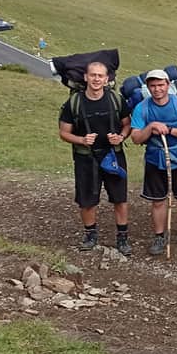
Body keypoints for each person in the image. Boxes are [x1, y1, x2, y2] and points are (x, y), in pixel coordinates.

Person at [58, 61, 132, 255]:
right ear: (85, 77)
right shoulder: (74, 103)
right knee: (87, 200)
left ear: (107, 79)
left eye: (100, 76)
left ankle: (122, 237)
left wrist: (121, 137)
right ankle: (90, 235)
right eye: (93, 75)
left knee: (120, 198)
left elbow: (127, 124)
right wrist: (81, 139)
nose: (96, 79)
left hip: (113, 155)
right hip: (85, 158)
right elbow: (64, 132)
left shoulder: (116, 99)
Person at [131, 69, 177, 255]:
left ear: (168, 85)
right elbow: (136, 138)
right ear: (148, 87)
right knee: (158, 201)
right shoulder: (142, 108)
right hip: (154, 159)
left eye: (160, 85)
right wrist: (151, 126)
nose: (157, 89)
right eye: (152, 86)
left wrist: (169, 130)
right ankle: (159, 236)